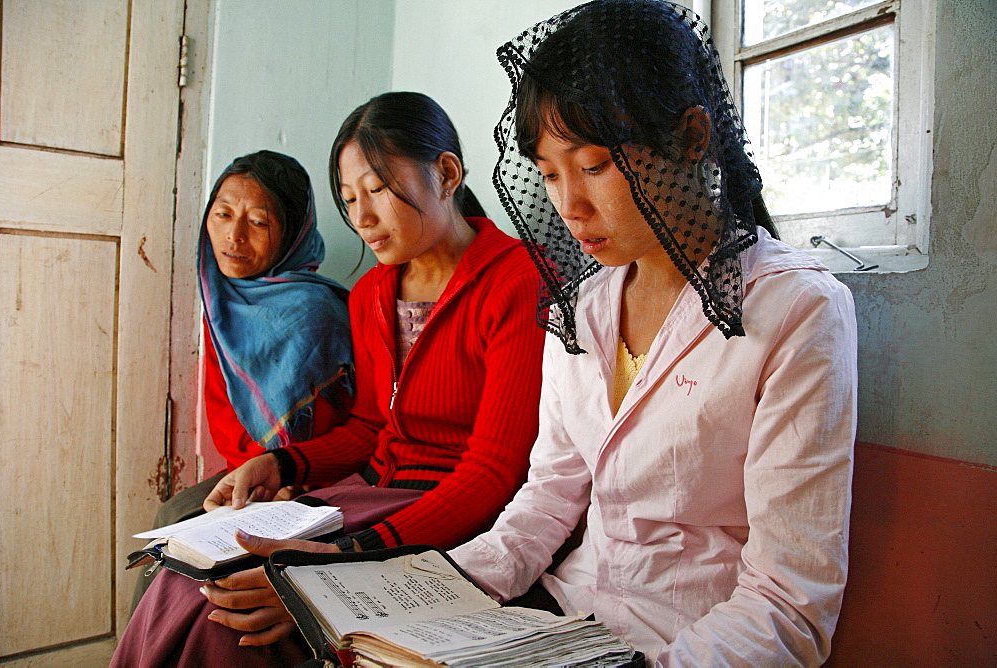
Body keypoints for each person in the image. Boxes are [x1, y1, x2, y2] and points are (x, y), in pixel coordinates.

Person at [449, 1, 858, 665]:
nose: (570, 206)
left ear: (694, 137)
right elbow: (547, 499)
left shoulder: (796, 309)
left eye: (595, 165)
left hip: (691, 640)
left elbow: (787, 602)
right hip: (566, 621)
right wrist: (432, 592)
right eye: (550, 174)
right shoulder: (582, 304)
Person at [113, 92, 545, 667]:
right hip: (370, 491)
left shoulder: (518, 280)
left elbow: (493, 471)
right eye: (348, 198)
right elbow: (371, 426)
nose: (362, 218)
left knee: (233, 622)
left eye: (379, 189)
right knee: (191, 579)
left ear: (445, 174)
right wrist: (281, 465)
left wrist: (336, 559)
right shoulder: (371, 293)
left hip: (455, 509)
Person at [129, 150, 354, 608]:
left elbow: (331, 438)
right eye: (223, 215)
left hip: (307, 482)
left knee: (189, 586)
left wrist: (280, 478)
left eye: (259, 222)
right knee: (168, 527)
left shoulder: (312, 314)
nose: (233, 236)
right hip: (245, 480)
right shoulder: (224, 300)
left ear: (292, 231)